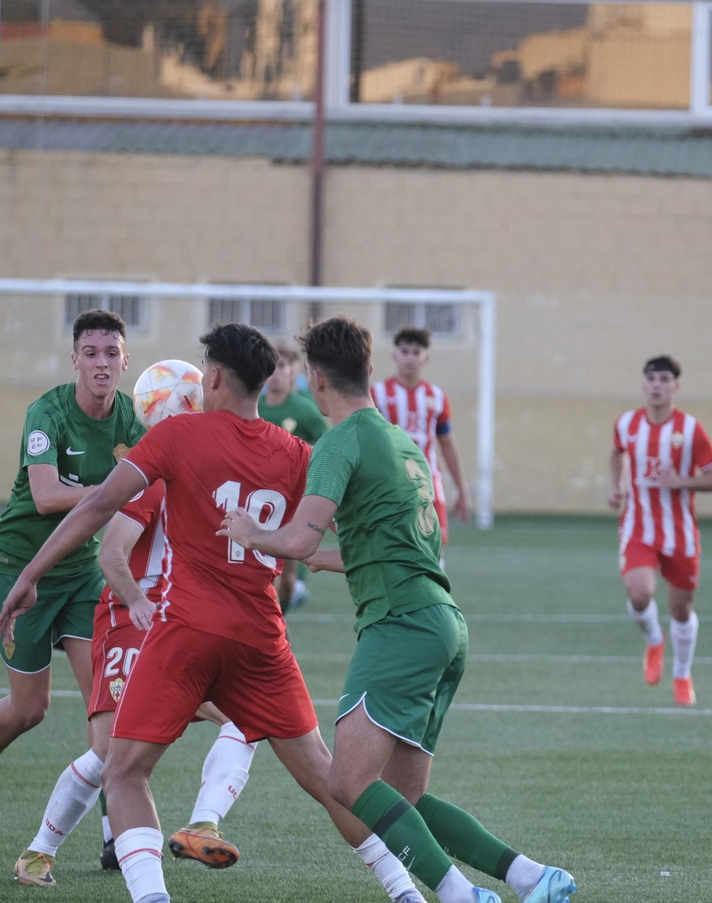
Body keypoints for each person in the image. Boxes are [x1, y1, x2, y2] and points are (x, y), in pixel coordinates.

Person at [0, 323, 426, 903]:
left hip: (189, 631)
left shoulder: (178, 437)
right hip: (262, 639)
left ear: (213, 377)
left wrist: (29, 575)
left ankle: (152, 896)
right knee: (331, 782)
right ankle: (408, 893)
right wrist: (321, 560)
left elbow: (99, 504)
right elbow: (363, 542)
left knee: (122, 769)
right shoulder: (298, 452)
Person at [220, 315, 576, 903]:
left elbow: (300, 542)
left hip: (400, 624)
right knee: (400, 800)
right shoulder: (403, 442)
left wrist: (251, 533)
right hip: (444, 623)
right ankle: (532, 878)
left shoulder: (340, 439)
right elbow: (375, 545)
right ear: (370, 371)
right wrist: (319, 551)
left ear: (315, 380)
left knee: (348, 782)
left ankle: (461, 896)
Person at [0, 310, 145, 833]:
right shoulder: (48, 413)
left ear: (126, 360)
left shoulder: (132, 419)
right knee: (29, 710)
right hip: (17, 566)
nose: (101, 363)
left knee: (107, 702)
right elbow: (46, 494)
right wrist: (114, 493)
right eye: (91, 353)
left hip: (83, 572)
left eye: (111, 353)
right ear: (74, 358)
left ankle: (113, 833)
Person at [12, 474, 264, 885]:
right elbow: (111, 550)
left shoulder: (223, 482)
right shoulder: (156, 478)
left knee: (248, 719)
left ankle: (203, 824)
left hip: (191, 623)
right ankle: (39, 851)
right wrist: (136, 599)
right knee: (108, 750)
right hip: (133, 618)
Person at [607, 356, 712, 707]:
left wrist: (682, 481)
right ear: (644, 384)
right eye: (652, 378)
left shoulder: (690, 429)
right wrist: (617, 486)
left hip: (680, 533)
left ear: (676, 386)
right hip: (638, 527)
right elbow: (616, 453)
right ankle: (655, 641)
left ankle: (682, 674)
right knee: (639, 593)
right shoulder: (627, 423)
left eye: (664, 379)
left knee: (681, 610)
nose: (657, 385)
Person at [372, 328, 471, 547]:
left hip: (429, 484)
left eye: (416, 352)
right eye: (405, 351)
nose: (410, 357)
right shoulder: (376, 394)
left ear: (426, 357)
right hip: (388, 485)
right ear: (395, 355)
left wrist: (462, 491)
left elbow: (447, 444)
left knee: (435, 546)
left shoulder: (436, 397)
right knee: (391, 548)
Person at [260, 341, 327, 610]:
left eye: (281, 366)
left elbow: (327, 446)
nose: (275, 373)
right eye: (271, 368)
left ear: (293, 371)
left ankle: (280, 617)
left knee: (286, 579)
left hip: (294, 501)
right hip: (259, 498)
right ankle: (270, 623)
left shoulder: (304, 410)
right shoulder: (255, 407)